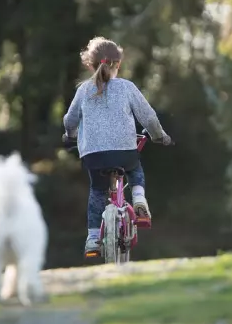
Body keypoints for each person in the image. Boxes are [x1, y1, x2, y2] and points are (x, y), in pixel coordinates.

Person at [62, 36, 173, 256]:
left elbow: (70, 119)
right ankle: (139, 199)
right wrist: (159, 136)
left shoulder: (83, 90)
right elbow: (149, 117)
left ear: (90, 64)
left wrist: (70, 135)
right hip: (124, 151)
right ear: (118, 64)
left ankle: (93, 238)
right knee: (135, 169)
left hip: (93, 155)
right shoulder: (126, 87)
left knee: (97, 190)